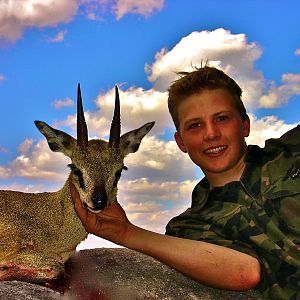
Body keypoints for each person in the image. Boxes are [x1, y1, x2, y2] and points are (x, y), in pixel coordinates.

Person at [70, 65, 300, 299]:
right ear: (181, 142)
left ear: (245, 125)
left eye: (221, 118)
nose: (211, 134)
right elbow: (246, 271)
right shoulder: (189, 227)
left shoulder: (291, 149)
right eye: (195, 125)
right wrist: (126, 233)